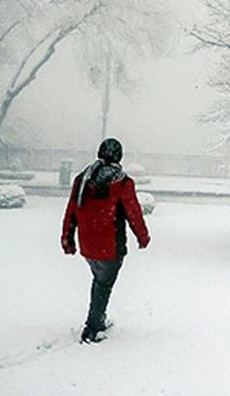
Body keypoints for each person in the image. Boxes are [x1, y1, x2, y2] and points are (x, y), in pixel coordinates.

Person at [61, 137, 150, 343]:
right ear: (119, 156)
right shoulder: (122, 182)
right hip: (111, 247)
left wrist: (68, 238)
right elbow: (133, 213)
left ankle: (98, 319)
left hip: (88, 245)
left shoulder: (83, 179)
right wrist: (143, 237)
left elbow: (71, 210)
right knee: (103, 284)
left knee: (100, 281)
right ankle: (92, 328)